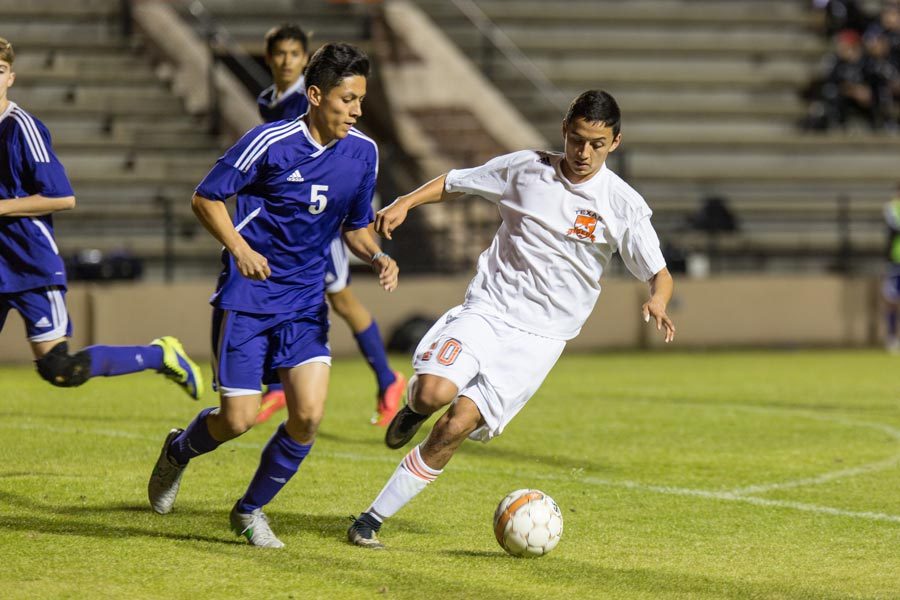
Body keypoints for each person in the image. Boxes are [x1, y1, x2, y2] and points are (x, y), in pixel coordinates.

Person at [347, 90, 676, 549]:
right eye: (577, 140)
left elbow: (659, 274)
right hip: (489, 308)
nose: (584, 153)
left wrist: (657, 301)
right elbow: (455, 181)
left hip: (541, 339)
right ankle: (413, 408)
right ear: (565, 129)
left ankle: (370, 520)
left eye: (597, 145)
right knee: (433, 393)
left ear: (615, 143)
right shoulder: (526, 168)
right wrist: (406, 201)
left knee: (455, 425)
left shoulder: (622, 205)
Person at [147, 42, 399, 548]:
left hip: (305, 303)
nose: (356, 110)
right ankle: (178, 450)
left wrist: (375, 256)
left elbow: (354, 226)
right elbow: (205, 196)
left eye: (360, 100)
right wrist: (238, 247)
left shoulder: (363, 152)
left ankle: (249, 510)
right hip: (249, 296)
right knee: (237, 420)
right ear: (315, 95)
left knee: (307, 416)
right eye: (347, 99)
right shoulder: (270, 141)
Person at [0, 37, 203, 398]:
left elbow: (62, 197)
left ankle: (160, 354)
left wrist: (3, 207)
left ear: (11, 77)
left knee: (59, 368)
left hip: (28, 265)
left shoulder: (21, 128)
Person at [254, 23, 405, 427]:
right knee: (327, 298)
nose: (287, 62)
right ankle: (282, 382)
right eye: (279, 54)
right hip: (289, 224)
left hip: (319, 226)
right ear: (269, 59)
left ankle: (385, 378)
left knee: (339, 299)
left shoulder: (308, 105)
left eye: (294, 54)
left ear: (306, 64)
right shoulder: (269, 100)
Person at [883, 183, 900, 353]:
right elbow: (894, 228)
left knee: (892, 300)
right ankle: (892, 338)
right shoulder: (892, 208)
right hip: (896, 259)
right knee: (892, 300)